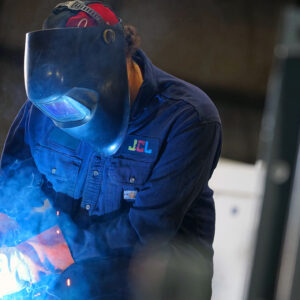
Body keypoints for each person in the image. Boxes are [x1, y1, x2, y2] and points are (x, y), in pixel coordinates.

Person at [0, 1, 222, 299]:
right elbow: (13, 183)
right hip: (62, 284)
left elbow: (146, 231)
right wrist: (12, 228)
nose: (65, 114)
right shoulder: (46, 105)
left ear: (118, 63)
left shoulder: (187, 119)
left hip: (146, 288)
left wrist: (61, 244)